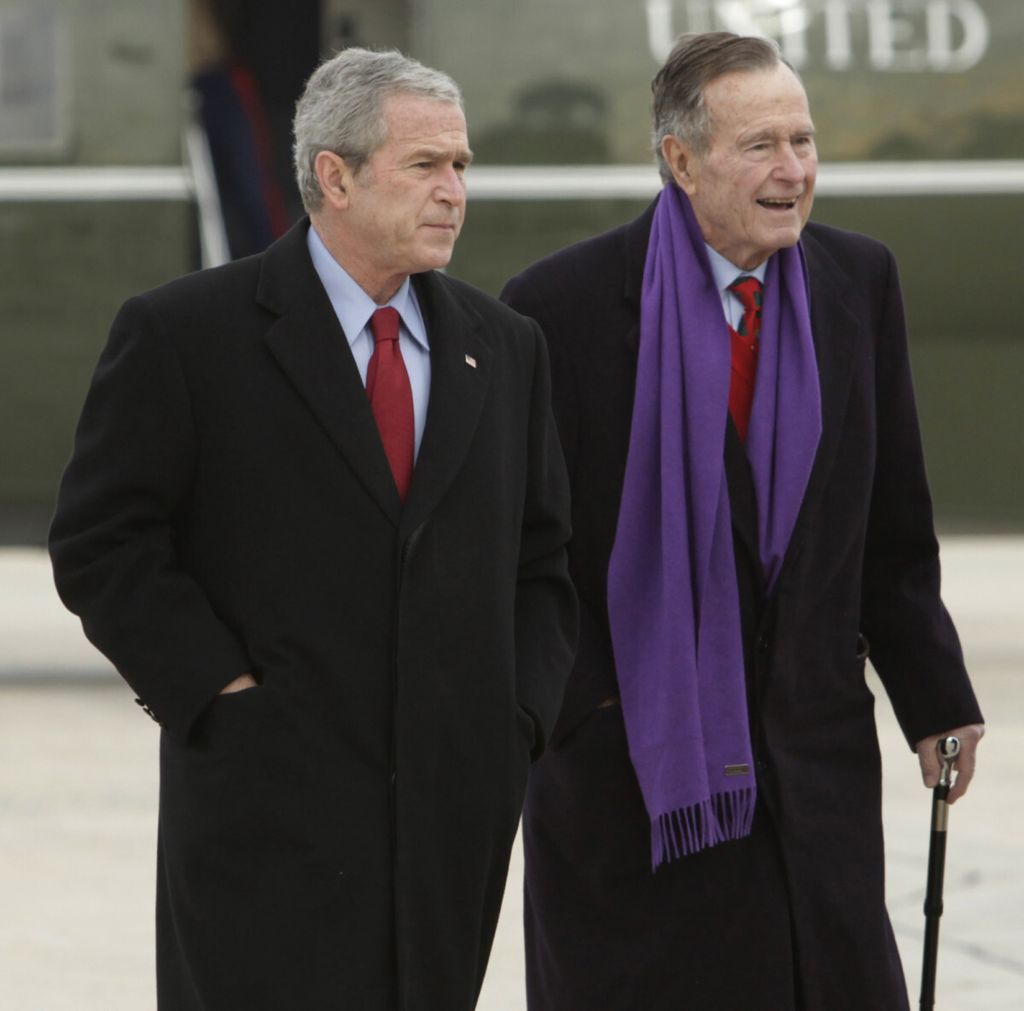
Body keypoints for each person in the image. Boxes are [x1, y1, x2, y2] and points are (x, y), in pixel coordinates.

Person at [50, 47, 576, 1011]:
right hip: (264, 810)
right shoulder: (186, 333)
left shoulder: (502, 346)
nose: (454, 191)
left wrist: (516, 722)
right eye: (425, 166)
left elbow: (543, 562)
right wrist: (221, 693)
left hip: (447, 818)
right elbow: (102, 540)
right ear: (334, 175)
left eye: (461, 166)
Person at [501, 32, 984, 1010]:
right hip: (635, 779)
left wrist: (934, 696)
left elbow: (891, 524)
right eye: (760, 145)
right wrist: (581, 706)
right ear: (680, 160)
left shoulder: (857, 283)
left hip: (811, 767)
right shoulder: (561, 307)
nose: (793, 170)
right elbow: (520, 555)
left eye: (802, 141)